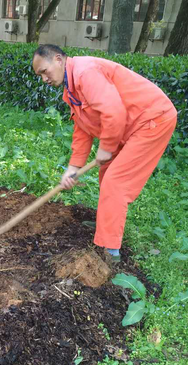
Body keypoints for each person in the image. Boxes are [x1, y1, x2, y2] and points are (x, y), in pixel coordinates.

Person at [32, 44, 176, 261]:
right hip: (129, 125)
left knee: (116, 182)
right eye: (39, 75)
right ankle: (106, 225)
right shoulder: (71, 89)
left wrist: (106, 147)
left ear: (59, 60)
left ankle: (110, 252)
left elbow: (113, 111)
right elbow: (83, 128)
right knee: (106, 172)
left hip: (151, 120)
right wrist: (73, 168)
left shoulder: (85, 73)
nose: (44, 79)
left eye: (44, 71)